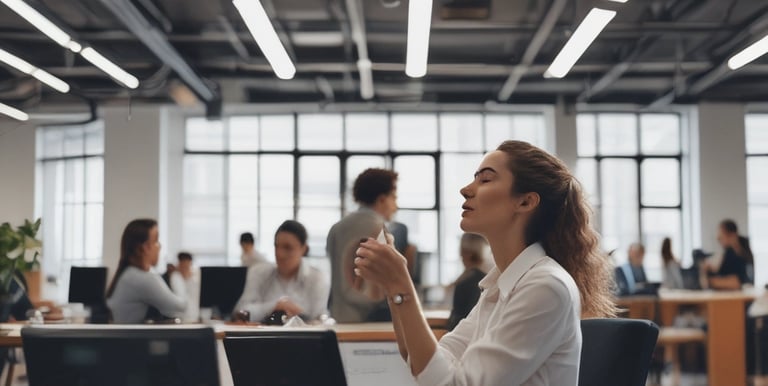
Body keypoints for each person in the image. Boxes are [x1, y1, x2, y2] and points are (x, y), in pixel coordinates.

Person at [354, 140, 616, 385]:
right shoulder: (501, 285)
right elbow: (424, 361)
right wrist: (393, 287)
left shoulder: (546, 286)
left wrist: (402, 286)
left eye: (486, 179)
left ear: (525, 201)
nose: (466, 189)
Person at [326, 168, 398, 323]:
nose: (395, 206)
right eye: (394, 197)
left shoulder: (336, 228)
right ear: (381, 199)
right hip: (372, 321)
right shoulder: (381, 231)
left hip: (339, 318)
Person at [234, 220, 329, 323]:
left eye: (288, 248)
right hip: (263, 338)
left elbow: (319, 320)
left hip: (304, 338)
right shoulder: (259, 273)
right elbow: (240, 311)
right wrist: (275, 305)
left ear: (304, 249)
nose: (279, 254)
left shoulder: (317, 278)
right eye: (276, 246)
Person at [106, 219, 187, 323]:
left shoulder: (128, 274)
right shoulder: (141, 279)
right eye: (156, 241)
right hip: (133, 339)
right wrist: (177, 276)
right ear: (145, 247)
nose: (160, 246)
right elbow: (180, 308)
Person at [446, 233, 488, 331]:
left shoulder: (472, 281)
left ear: (467, 254)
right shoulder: (478, 278)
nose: (460, 255)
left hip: (461, 335)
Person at [706, 219, 754, 289]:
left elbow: (735, 282)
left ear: (732, 235)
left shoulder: (735, 253)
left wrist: (708, 280)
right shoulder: (744, 251)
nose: (718, 238)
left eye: (721, 235)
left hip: (735, 297)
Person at [168, 252, 200, 323]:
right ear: (179, 263)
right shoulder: (175, 276)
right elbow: (181, 297)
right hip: (181, 317)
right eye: (183, 264)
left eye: (188, 264)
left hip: (196, 316)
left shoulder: (195, 276)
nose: (186, 267)